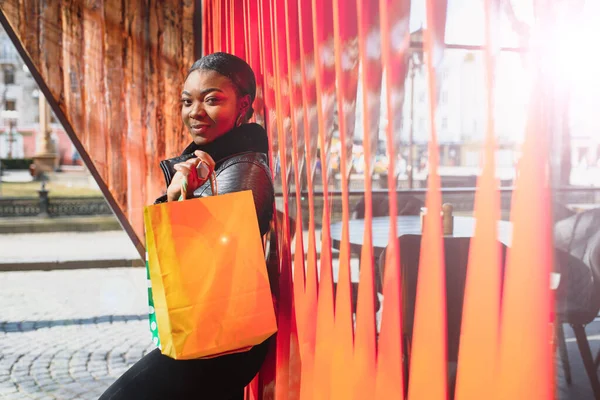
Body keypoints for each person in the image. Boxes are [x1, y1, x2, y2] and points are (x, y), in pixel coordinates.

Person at [100, 52, 275, 400]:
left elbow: (214, 262)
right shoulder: (217, 163)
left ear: (243, 105)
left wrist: (184, 198)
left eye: (212, 100)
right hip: (215, 334)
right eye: (187, 101)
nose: (195, 112)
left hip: (223, 343)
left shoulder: (243, 170)